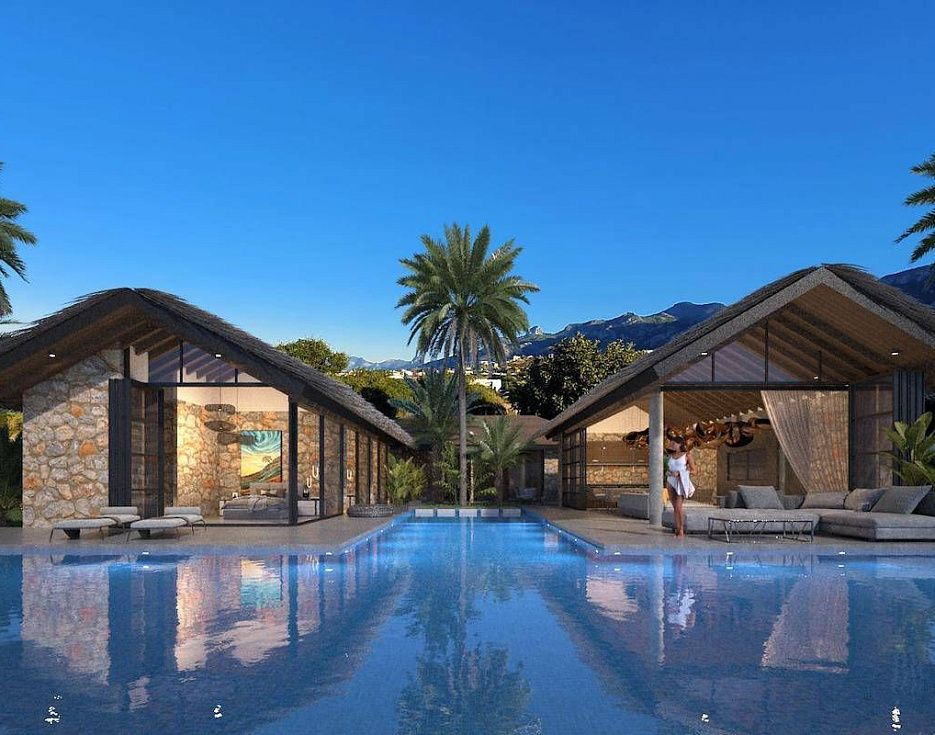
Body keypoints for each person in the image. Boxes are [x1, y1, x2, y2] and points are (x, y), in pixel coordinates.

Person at [665, 435, 696, 538]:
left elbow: (694, 471)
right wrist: (668, 472)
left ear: (680, 444)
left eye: (674, 443)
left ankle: (681, 530)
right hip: (670, 481)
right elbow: (670, 468)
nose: (672, 445)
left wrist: (680, 473)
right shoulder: (671, 455)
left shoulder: (687, 455)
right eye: (671, 443)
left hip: (681, 482)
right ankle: (677, 529)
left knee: (679, 507)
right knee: (674, 507)